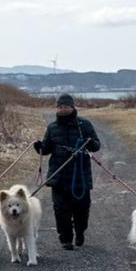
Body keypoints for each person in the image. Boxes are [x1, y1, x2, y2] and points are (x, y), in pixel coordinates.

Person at [34, 93, 101, 250]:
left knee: (82, 209)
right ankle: (66, 239)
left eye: (65, 106)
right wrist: (40, 147)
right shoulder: (52, 127)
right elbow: (46, 149)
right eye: (59, 107)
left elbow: (96, 145)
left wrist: (89, 143)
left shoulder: (84, 125)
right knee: (60, 209)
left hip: (80, 177)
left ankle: (80, 231)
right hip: (59, 176)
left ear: (72, 107)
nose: (62, 109)